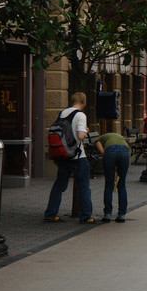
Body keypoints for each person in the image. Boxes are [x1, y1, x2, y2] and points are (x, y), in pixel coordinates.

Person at [44, 92, 94, 224]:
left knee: (59, 185)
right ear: (83, 102)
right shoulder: (80, 115)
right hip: (77, 156)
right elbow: (81, 136)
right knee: (84, 186)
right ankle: (86, 216)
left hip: (64, 155)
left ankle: (50, 214)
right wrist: (86, 130)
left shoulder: (62, 113)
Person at [94, 132, 129, 223]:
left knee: (109, 185)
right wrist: (117, 172)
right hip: (125, 151)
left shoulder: (100, 138)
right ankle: (122, 215)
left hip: (110, 151)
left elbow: (99, 145)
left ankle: (107, 215)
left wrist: (105, 156)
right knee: (121, 185)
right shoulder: (120, 137)